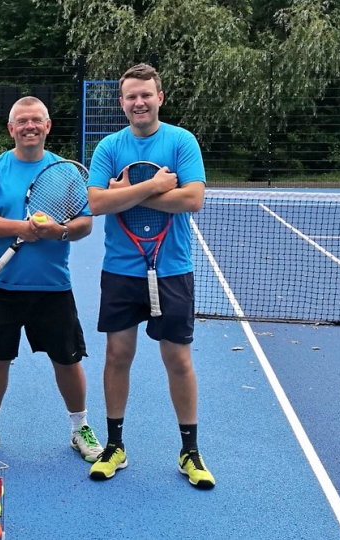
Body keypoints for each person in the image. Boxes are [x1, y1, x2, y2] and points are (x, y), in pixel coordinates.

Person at [86, 63, 214, 489]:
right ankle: (115, 445)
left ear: (160, 97)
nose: (138, 102)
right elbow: (96, 203)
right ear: (122, 102)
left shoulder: (181, 141)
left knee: (178, 361)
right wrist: (155, 187)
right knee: (117, 357)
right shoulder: (109, 145)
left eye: (146, 95)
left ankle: (190, 451)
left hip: (172, 268)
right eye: (130, 96)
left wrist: (123, 191)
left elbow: (193, 198)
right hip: (121, 271)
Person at [0, 96, 103, 464]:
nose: (29, 126)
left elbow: (84, 223)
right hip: (3, 287)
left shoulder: (66, 172)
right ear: (11, 129)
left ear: (47, 126)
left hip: (53, 288)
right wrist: (21, 228)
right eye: (22, 121)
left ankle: (80, 428)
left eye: (36, 121)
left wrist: (58, 232)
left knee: (68, 360)